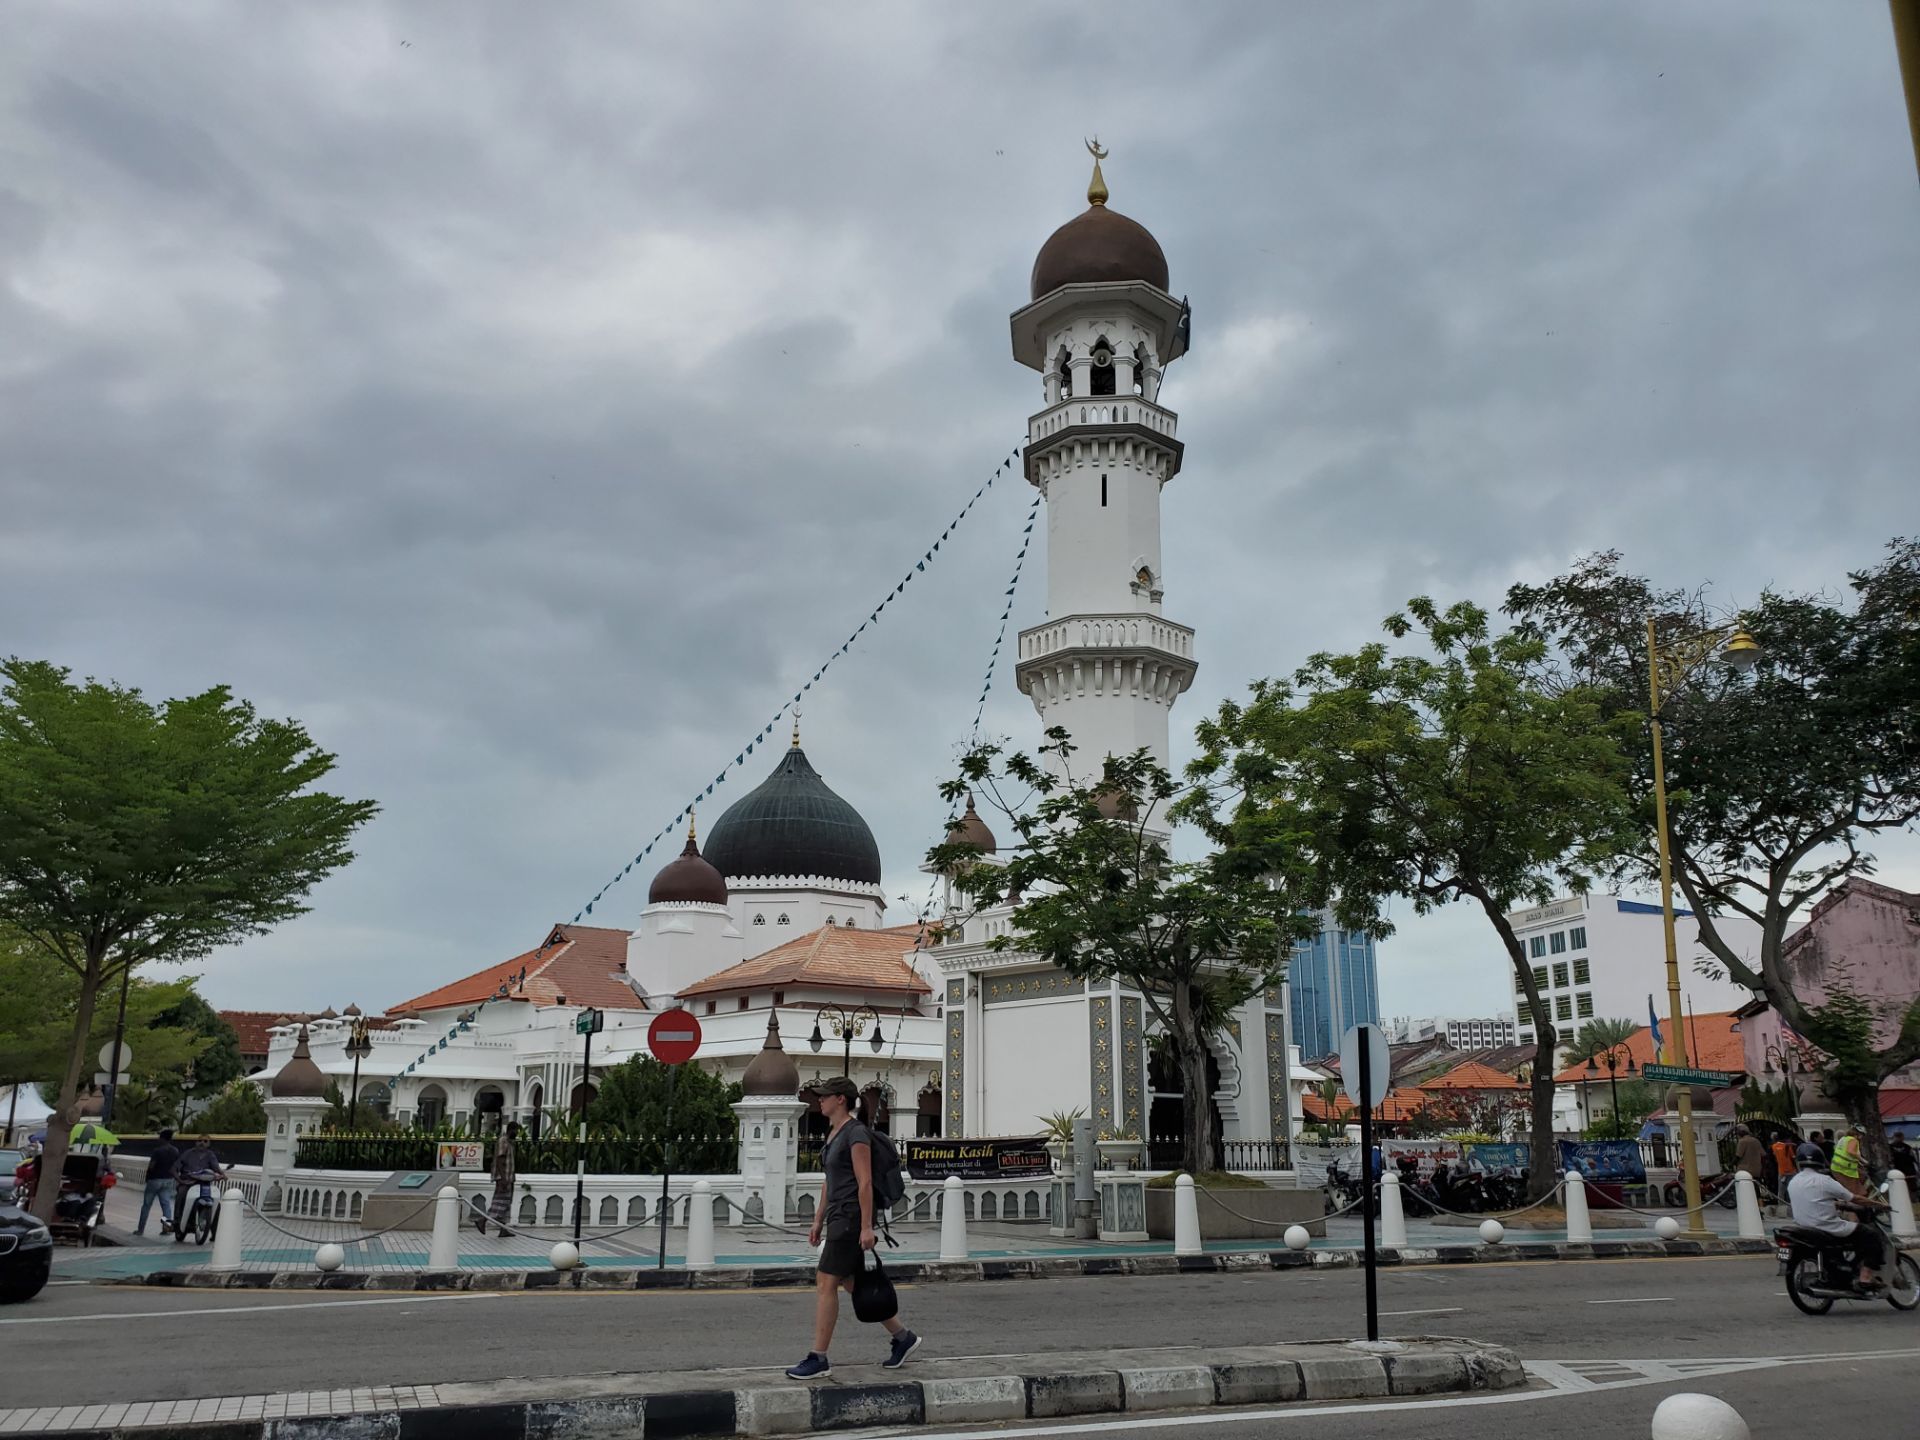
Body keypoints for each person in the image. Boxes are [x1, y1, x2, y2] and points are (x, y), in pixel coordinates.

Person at [786, 1077, 920, 1380]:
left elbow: (865, 1182)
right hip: (837, 1216)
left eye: (825, 1096)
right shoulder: (834, 1133)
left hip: (850, 1217)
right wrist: (818, 1219)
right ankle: (903, 1337)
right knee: (851, 1282)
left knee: (826, 1281)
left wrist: (866, 1227)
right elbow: (829, 1181)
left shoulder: (856, 1133)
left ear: (841, 1099)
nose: (820, 1100)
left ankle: (818, 1358)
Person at [1788, 1141, 1889, 1292]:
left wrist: (1837, 1204)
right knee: (1871, 1235)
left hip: (1805, 1227)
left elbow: (1813, 1200)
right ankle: (1865, 1278)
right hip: (1828, 1227)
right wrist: (1879, 1204)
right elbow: (1855, 1198)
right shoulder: (1825, 1181)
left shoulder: (1793, 1181)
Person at [172, 1134, 226, 1242]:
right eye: (200, 1140)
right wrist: (180, 1181)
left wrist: (222, 1175)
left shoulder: (210, 1155)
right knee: (181, 1194)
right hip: (188, 1183)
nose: (202, 1143)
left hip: (204, 1184)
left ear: (209, 1144)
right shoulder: (188, 1153)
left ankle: (214, 1232)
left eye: (205, 1141)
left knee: (217, 1205)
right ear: (196, 1142)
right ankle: (177, 1223)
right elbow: (174, 1168)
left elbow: (216, 1167)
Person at [137, 1130, 181, 1237]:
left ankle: (140, 1230)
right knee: (166, 1205)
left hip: (155, 1179)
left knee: (147, 1205)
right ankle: (166, 1229)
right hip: (169, 1179)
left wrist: (147, 1177)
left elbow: (152, 1166)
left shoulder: (157, 1151)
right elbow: (177, 1166)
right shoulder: (175, 1151)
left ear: (162, 1138)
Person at [478, 1122, 519, 1236]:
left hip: (508, 1177)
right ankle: (483, 1220)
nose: (517, 1133)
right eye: (516, 1130)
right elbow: (500, 1160)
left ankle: (503, 1229)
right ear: (512, 1130)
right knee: (499, 1203)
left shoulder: (509, 1142)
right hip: (503, 1178)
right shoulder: (503, 1141)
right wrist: (503, 1178)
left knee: (506, 1203)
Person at [1830, 1124, 1867, 1199]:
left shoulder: (1844, 1139)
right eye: (1862, 1135)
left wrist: (1859, 1163)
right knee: (1855, 1191)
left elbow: (1845, 1154)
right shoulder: (1853, 1140)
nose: (1862, 1137)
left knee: (1861, 1175)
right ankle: (1859, 1202)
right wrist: (1863, 1160)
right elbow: (1850, 1151)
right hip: (1845, 1169)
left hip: (1836, 1167)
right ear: (1858, 1134)